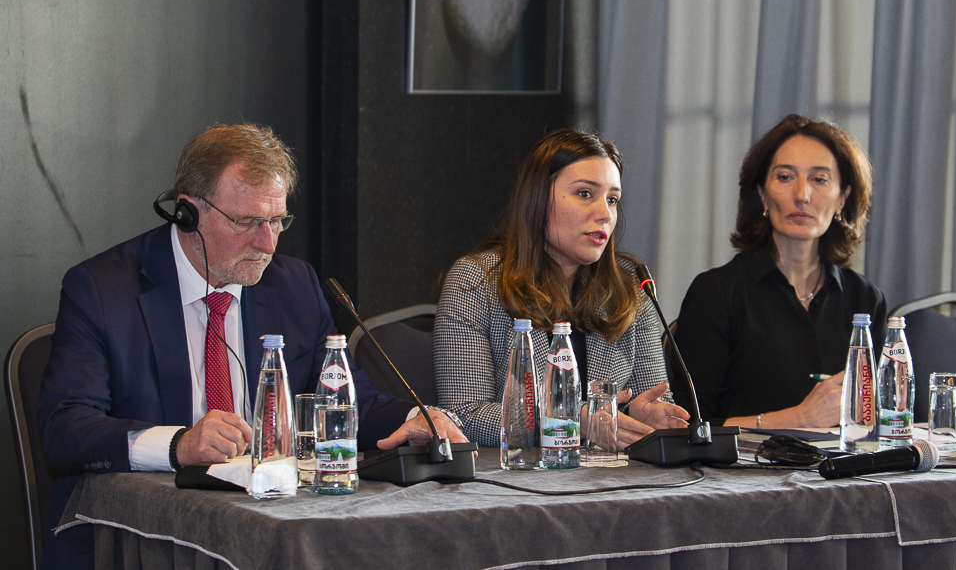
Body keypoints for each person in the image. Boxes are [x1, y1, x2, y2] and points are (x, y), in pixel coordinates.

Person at [38, 124, 466, 569]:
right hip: (145, 541)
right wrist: (179, 444)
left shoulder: (294, 284)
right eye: (247, 222)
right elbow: (64, 429)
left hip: (269, 528)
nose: (268, 243)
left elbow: (343, 400)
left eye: (277, 221)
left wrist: (415, 419)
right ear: (188, 213)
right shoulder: (103, 290)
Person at [433, 129, 688, 449]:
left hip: (610, 472)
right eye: (585, 193)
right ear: (538, 200)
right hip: (518, 473)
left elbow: (650, 400)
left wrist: (641, 415)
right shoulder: (476, 282)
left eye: (612, 199)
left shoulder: (631, 291)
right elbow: (463, 416)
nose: (604, 214)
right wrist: (571, 421)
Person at [673, 114, 887, 428]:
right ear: (762, 194)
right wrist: (799, 418)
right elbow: (688, 428)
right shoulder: (716, 293)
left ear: (842, 199)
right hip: (743, 461)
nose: (802, 195)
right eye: (785, 177)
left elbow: (878, 415)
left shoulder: (866, 300)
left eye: (820, 179)